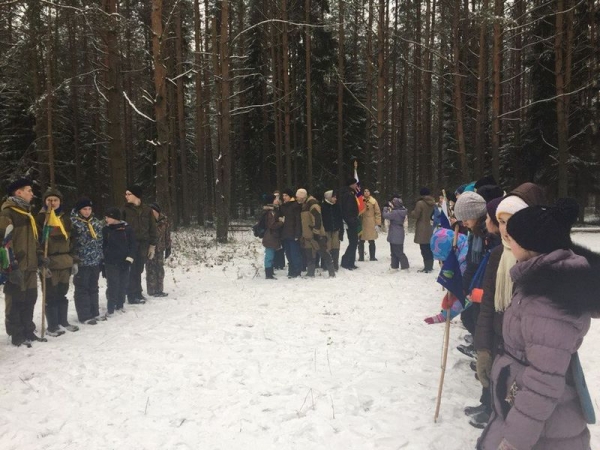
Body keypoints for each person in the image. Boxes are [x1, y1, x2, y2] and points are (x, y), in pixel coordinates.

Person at [478, 198, 600, 450]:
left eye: (511, 238)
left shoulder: (547, 301)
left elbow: (543, 381)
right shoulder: (536, 280)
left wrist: (513, 441)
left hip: (544, 431)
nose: (507, 242)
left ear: (529, 244)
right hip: (523, 410)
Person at [468, 182, 547, 428]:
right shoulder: (497, 256)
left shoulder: (541, 262)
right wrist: (482, 348)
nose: (505, 229)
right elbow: (488, 307)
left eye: (511, 221)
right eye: (501, 221)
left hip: (526, 356)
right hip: (497, 340)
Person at [0, 178, 45, 347]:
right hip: (16, 267)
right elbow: (3, 244)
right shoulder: (7, 214)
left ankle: (28, 329)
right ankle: (16, 333)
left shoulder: (27, 214)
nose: (32, 194)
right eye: (29, 190)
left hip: (31, 267)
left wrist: (39, 256)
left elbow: (34, 240)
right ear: (18, 192)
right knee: (15, 300)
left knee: (30, 298)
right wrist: (11, 267)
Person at [36, 187, 78, 336]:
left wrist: (74, 260)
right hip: (50, 262)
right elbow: (36, 241)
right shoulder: (40, 218)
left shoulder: (65, 218)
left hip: (65, 261)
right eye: (49, 200)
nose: (52, 203)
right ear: (45, 202)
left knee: (62, 292)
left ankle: (63, 321)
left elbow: (72, 240)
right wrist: (41, 262)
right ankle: (52, 326)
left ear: (60, 202)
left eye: (55, 200)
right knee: (51, 294)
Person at [70, 197, 104, 325]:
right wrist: (73, 259)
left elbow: (100, 241)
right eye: (84, 209)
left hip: (94, 260)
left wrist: (101, 257)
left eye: (89, 209)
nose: (87, 211)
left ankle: (94, 312)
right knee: (82, 288)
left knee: (93, 287)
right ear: (79, 210)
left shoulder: (95, 222)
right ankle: (85, 315)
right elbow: (71, 242)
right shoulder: (73, 222)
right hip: (81, 261)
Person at [121, 185, 157, 304]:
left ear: (136, 195)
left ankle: (138, 292)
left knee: (139, 269)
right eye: (126, 194)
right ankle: (131, 295)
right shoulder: (124, 210)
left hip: (144, 244)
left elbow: (152, 228)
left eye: (128, 194)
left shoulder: (147, 210)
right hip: (130, 244)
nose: (126, 196)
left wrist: (152, 245)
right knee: (132, 269)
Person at [102, 208, 136, 315]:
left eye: (108, 217)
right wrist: (103, 262)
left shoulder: (127, 229)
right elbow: (103, 246)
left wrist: (129, 259)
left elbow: (133, 246)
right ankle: (111, 307)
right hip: (111, 262)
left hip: (124, 261)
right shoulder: (105, 230)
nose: (106, 219)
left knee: (123, 283)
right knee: (112, 284)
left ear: (115, 218)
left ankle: (120, 305)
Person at [296, 189, 335, 278]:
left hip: (316, 235)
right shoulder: (304, 205)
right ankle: (310, 273)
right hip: (308, 235)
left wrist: (316, 232)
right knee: (309, 254)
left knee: (323, 253)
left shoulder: (312, 204)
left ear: (302, 196)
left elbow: (317, 219)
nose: (297, 198)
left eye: (298, 197)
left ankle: (332, 272)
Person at [146, 202, 171, 297]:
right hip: (150, 249)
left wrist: (168, 247)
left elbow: (167, 235)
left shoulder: (164, 221)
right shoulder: (147, 221)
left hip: (160, 248)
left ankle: (159, 289)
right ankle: (152, 290)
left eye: (153, 211)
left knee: (159, 269)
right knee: (150, 269)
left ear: (157, 212)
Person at [410, 187, 436, 272]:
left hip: (422, 227)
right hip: (430, 227)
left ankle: (427, 267)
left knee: (424, 248)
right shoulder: (433, 203)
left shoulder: (420, 203)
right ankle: (430, 265)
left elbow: (416, 215)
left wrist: (412, 212)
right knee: (429, 248)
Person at [279, 188, 302, 278]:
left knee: (295, 253)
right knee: (288, 253)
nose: (284, 197)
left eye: (286, 195)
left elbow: (298, 221)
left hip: (293, 234)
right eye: (283, 195)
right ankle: (291, 270)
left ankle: (297, 270)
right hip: (285, 234)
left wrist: (297, 234)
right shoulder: (283, 206)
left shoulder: (295, 206)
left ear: (290, 196)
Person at [382, 197, 409, 271]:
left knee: (396, 251)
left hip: (394, 233)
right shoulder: (402, 211)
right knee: (397, 250)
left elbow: (385, 215)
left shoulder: (395, 212)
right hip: (399, 232)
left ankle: (404, 266)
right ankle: (394, 266)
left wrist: (385, 209)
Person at [261, 194, 283, 279]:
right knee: (269, 255)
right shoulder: (270, 212)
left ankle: (270, 271)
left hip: (270, 235)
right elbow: (272, 225)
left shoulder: (272, 211)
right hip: (270, 236)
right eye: (275, 199)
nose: (277, 200)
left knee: (271, 254)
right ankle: (268, 274)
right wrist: (281, 222)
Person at [340, 178, 360, 270]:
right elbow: (348, 209)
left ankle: (350, 261)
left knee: (354, 242)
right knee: (353, 242)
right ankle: (347, 261)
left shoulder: (350, 193)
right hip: (350, 222)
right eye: (355, 184)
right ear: (351, 184)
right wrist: (352, 221)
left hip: (351, 220)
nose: (357, 186)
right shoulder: (348, 194)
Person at [321, 190, 343, 271]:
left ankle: (335, 265)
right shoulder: (323, 207)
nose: (335, 199)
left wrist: (341, 231)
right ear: (329, 197)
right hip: (326, 231)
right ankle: (326, 265)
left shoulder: (337, 206)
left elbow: (340, 219)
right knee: (327, 247)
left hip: (336, 230)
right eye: (334, 197)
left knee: (336, 247)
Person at [357, 188, 382, 261]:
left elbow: (377, 213)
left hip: (371, 222)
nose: (366, 192)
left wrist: (378, 224)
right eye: (365, 191)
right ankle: (361, 257)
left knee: (371, 240)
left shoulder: (373, 201)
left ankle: (372, 257)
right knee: (361, 240)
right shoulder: (360, 201)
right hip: (362, 222)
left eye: (368, 191)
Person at [272, 191, 286, 271]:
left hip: (281, 229)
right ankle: (275, 263)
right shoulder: (271, 207)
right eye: (275, 196)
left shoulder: (281, 206)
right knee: (275, 247)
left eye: (278, 196)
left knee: (281, 247)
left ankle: (281, 263)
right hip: (275, 230)